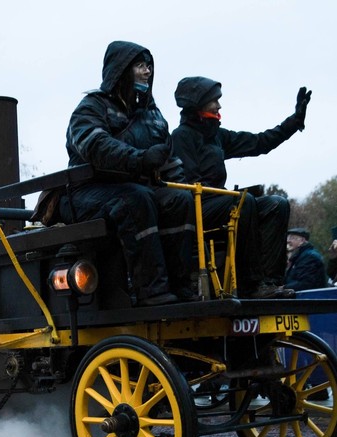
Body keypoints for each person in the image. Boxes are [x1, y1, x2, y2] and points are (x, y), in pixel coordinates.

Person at [62, 41, 196, 306]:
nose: (147, 72)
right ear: (121, 69)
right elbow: (96, 146)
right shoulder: (91, 107)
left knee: (179, 200)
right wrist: (140, 159)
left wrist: (188, 189)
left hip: (133, 189)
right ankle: (150, 291)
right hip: (87, 192)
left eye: (149, 66)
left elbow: (169, 161)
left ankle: (181, 286)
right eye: (140, 66)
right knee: (136, 198)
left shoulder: (153, 115)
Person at [171, 76, 311, 298]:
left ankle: (271, 281)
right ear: (198, 103)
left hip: (222, 203)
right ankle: (250, 284)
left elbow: (259, 142)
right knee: (242, 201)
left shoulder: (217, 135)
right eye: (214, 101)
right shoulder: (181, 136)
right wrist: (228, 197)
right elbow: (189, 184)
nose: (219, 105)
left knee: (277, 204)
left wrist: (293, 122)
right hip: (197, 207)